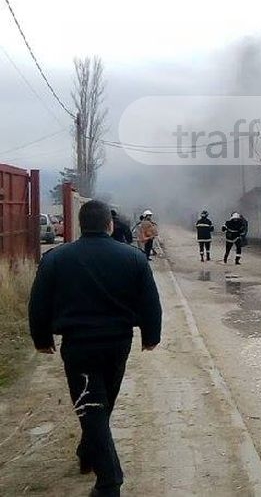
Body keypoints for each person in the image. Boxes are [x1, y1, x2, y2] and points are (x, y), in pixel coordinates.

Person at [28, 200, 162, 497]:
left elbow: (38, 303)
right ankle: (97, 465)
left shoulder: (56, 259)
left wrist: (41, 338)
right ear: (109, 224)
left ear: (80, 224)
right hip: (118, 344)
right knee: (101, 404)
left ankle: (105, 478)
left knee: (93, 406)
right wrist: (151, 336)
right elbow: (150, 301)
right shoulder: (133, 258)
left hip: (79, 347)